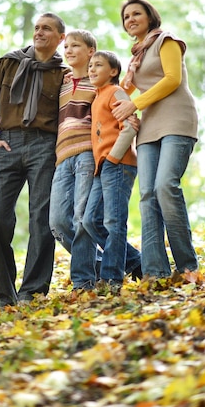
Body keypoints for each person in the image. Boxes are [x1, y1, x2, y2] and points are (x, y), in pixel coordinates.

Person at [0, 12, 67, 307]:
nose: (39, 33)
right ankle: (5, 294)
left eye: (47, 29)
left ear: (60, 38)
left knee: (42, 219)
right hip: (8, 145)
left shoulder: (63, 74)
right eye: (37, 28)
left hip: (45, 145)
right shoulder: (8, 62)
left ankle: (33, 291)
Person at [112, 0, 198, 279]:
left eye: (136, 14)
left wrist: (134, 103)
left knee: (165, 186)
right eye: (126, 17)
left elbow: (172, 79)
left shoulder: (167, 41)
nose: (131, 20)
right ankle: (154, 272)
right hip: (148, 128)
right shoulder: (136, 56)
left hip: (176, 120)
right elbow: (123, 93)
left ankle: (187, 266)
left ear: (150, 16)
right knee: (148, 195)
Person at [49, 31, 142, 291]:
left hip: (90, 155)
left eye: (75, 45)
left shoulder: (100, 84)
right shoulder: (63, 83)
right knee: (57, 222)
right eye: (65, 46)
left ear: (91, 51)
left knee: (84, 218)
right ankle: (126, 261)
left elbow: (123, 104)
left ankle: (84, 280)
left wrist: (131, 77)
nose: (68, 50)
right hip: (62, 156)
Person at [80, 50, 138, 294]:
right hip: (101, 167)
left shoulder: (115, 92)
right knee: (90, 221)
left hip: (118, 163)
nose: (91, 69)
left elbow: (130, 125)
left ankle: (112, 278)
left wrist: (113, 157)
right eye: (90, 66)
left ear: (113, 71)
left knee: (114, 221)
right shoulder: (97, 96)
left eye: (98, 65)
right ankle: (137, 262)